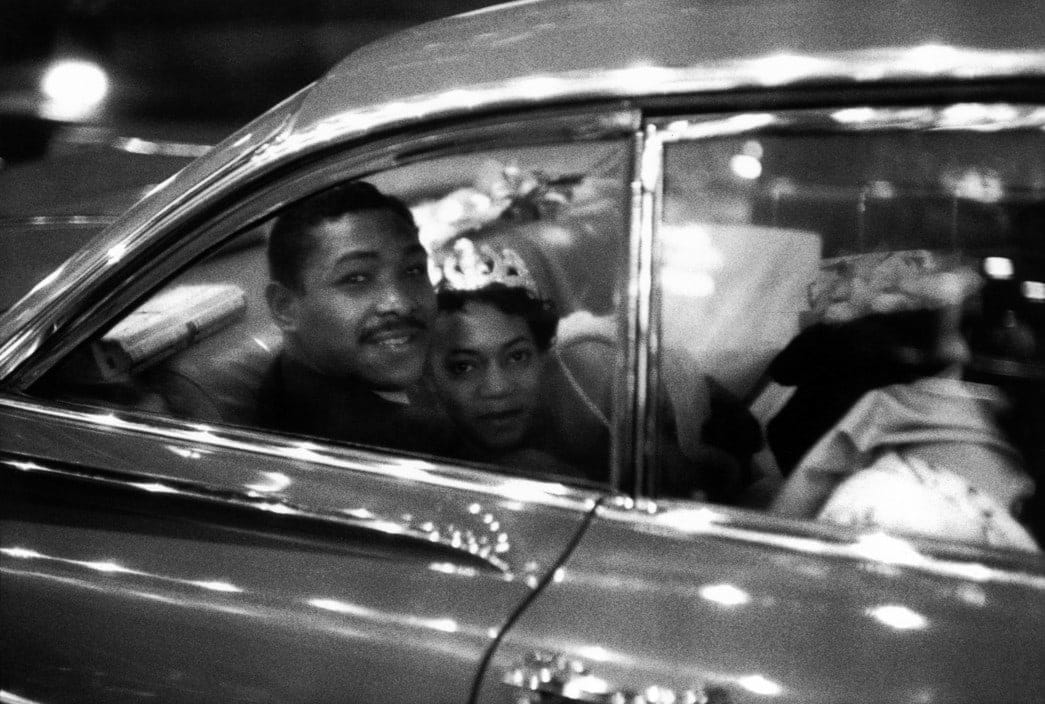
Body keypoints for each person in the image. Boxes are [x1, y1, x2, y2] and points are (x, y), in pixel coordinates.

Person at [256, 180, 455, 454]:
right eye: (356, 278)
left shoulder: (295, 379)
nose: (399, 303)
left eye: (413, 270)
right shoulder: (389, 447)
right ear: (284, 307)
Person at [426, 238, 606, 479]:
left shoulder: (600, 434)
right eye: (463, 367)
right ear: (426, 373)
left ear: (542, 356)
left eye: (517, 357)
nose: (497, 388)